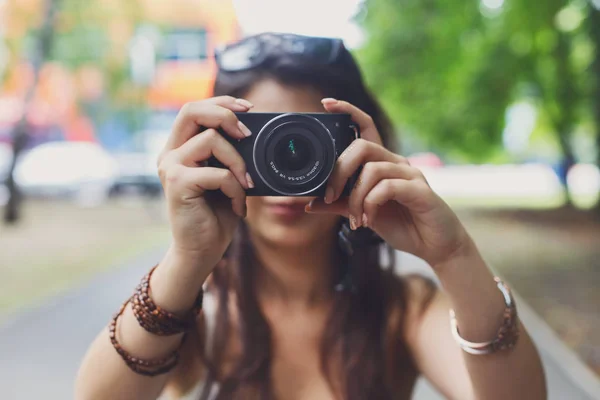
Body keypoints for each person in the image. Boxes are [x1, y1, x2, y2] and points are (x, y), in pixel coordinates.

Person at [76, 33, 546, 400]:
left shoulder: (400, 309)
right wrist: (186, 260)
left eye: (308, 145)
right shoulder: (191, 314)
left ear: (361, 149)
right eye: (261, 145)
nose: (288, 176)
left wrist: (453, 254)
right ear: (212, 150)